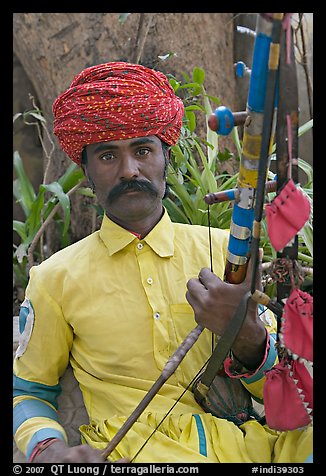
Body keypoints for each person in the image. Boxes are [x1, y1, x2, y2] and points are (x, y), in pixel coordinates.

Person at [13, 62, 312, 464]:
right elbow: (28, 389)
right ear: (85, 171)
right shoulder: (55, 278)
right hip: (137, 452)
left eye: (142, 150)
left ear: (165, 157)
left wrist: (245, 334)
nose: (129, 170)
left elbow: (284, 391)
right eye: (106, 156)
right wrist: (49, 450)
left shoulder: (230, 252)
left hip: (252, 447)